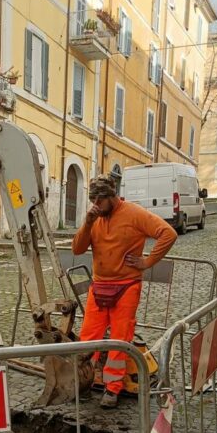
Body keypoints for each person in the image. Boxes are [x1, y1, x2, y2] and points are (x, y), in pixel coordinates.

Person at [71, 174, 177, 408]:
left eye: (99, 200)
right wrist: (88, 222)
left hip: (126, 286)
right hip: (99, 286)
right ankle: (84, 382)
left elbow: (168, 233)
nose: (95, 205)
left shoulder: (134, 213)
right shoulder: (95, 217)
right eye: (92, 200)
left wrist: (148, 262)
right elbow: (77, 249)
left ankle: (112, 388)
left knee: (120, 339)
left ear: (112, 196)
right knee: (88, 339)